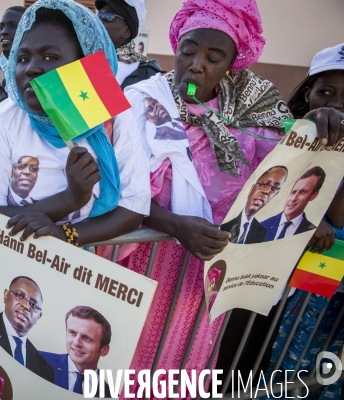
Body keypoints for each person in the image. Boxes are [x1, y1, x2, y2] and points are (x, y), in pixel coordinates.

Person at [115, 0, 297, 394]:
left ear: (232, 64)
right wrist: (173, 225)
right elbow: (116, 186)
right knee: (127, 357)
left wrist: (321, 124)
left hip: (207, 269)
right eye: (188, 50)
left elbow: (295, 152)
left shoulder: (250, 111)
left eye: (214, 57)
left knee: (184, 361)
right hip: (144, 255)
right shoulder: (142, 100)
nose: (197, 64)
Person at [0, 0, 150, 254]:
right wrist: (69, 199)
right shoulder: (1, 122)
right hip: (14, 280)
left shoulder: (113, 118)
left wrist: (63, 234)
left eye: (50, 57)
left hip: (89, 279)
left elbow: (133, 209)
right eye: (23, 57)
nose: (31, 68)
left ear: (85, 62)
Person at [265, 44, 344, 400]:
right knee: (293, 358)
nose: (336, 103)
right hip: (316, 276)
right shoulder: (290, 134)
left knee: (330, 368)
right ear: (307, 94)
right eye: (325, 92)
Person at [0, 276, 54, 382]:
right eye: (19, 295)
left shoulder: (44, 370)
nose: (26, 305)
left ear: (39, 317)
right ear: (6, 295)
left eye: (33, 304)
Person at [40, 306, 112, 397]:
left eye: (87, 338)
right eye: (72, 333)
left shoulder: (111, 396)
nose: (76, 342)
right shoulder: (39, 361)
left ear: (104, 350)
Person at [95, 0, 162, 88]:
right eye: (97, 15)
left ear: (127, 31)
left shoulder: (147, 73)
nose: (98, 21)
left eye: (108, 17)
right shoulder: (84, 58)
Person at [221, 166, 288, 244]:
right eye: (264, 184)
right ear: (251, 188)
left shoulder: (266, 234)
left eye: (274, 188)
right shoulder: (223, 225)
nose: (266, 191)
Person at [261, 166, 326, 240]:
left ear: (313, 195)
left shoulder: (312, 232)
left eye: (303, 192)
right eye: (293, 192)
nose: (293, 198)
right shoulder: (262, 226)